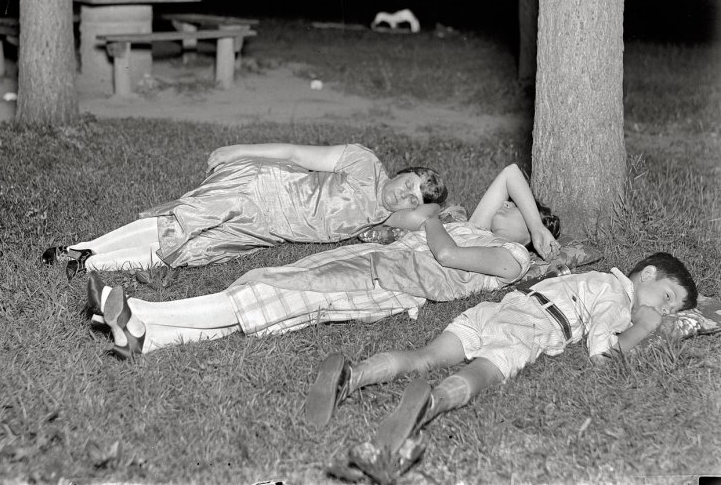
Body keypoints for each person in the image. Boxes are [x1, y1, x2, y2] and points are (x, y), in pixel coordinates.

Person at [85, 163, 561, 360]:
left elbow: (447, 254)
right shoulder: (482, 227)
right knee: (268, 283)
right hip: (372, 261)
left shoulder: (512, 258)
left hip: (387, 282)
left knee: (274, 297)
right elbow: (510, 174)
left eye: (515, 211)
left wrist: (433, 217)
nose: (503, 206)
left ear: (528, 235)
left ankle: (141, 313)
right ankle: (147, 334)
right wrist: (535, 221)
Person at [308, 252, 698, 480]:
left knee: (425, 357)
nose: (663, 310)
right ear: (646, 274)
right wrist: (644, 327)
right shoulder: (616, 297)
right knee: (487, 369)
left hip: (498, 309)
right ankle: (432, 402)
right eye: (666, 297)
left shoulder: (593, 278)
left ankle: (351, 375)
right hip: (530, 326)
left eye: (670, 310)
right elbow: (602, 355)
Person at [41, 142, 447, 277]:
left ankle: (89, 265)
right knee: (181, 222)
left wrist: (436, 211)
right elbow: (292, 153)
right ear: (402, 171)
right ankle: (82, 247)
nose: (405, 197)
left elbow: (431, 218)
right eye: (408, 185)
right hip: (259, 187)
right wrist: (238, 150)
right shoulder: (363, 162)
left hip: (266, 229)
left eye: (414, 200)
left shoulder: (384, 219)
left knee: (191, 252)